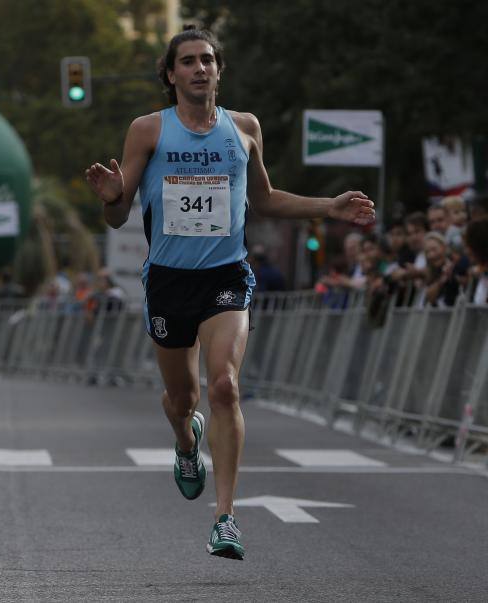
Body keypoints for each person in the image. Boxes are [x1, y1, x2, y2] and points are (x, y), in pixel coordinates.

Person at [85, 27, 375, 561]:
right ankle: (185, 442)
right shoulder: (148, 130)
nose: (200, 68)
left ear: (220, 70)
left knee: (223, 386)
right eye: (189, 61)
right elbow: (119, 211)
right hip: (169, 281)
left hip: (226, 276)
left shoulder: (244, 128)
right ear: (171, 74)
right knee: (183, 400)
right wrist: (110, 198)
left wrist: (326, 207)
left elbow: (264, 200)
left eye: (208, 60)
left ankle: (225, 519)